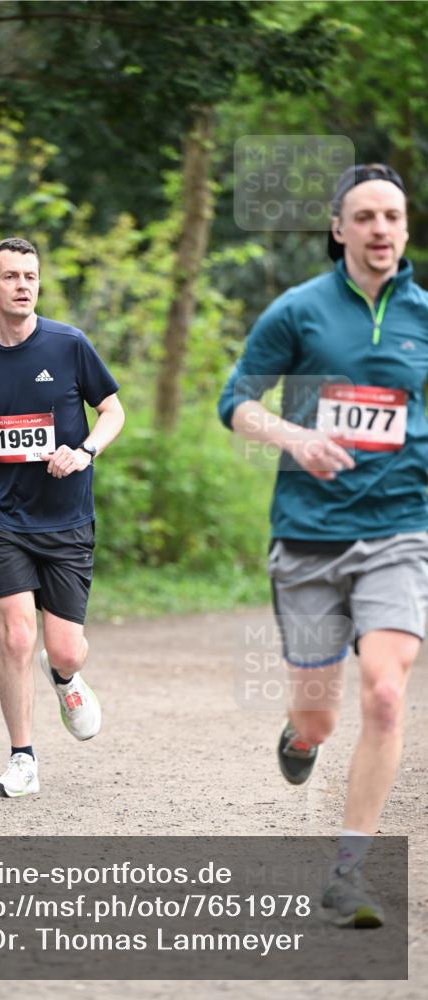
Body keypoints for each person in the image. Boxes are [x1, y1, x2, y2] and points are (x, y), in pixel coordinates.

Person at [218, 164, 428, 927]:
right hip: (306, 537)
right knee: (319, 717)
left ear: (405, 228)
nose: (380, 230)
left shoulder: (423, 317)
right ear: (338, 228)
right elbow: (235, 403)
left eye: (393, 217)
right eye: (365, 216)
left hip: (399, 530)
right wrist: (294, 435)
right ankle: (299, 737)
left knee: (383, 689)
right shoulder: (297, 311)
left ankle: (347, 872)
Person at [0, 237, 124, 798]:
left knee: (62, 647)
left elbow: (112, 410)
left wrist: (85, 450)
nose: (23, 285)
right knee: (16, 635)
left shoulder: (69, 345)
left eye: (31, 276)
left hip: (65, 518)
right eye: (11, 276)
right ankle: (23, 760)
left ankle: (64, 675)